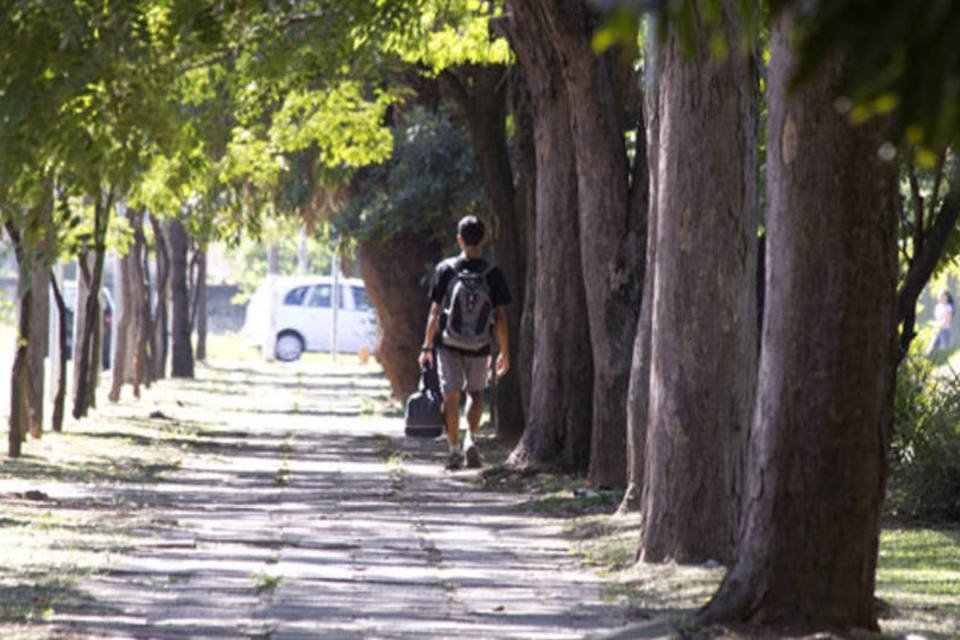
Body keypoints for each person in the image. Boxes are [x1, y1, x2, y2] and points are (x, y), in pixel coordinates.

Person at [418, 216, 511, 470]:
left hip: (449, 344)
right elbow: (500, 317)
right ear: (483, 240)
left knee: (451, 395)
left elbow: (434, 313)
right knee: (476, 393)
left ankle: (453, 450)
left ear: (459, 239)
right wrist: (504, 351)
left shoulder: (446, 269)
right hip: (480, 345)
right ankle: (472, 438)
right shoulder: (493, 273)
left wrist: (426, 347)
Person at [929, 290, 955, 354]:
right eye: (940, 296)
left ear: (946, 297)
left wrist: (942, 324)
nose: (941, 298)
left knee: (944, 347)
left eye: (943, 296)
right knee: (933, 345)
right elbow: (937, 318)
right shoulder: (937, 307)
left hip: (945, 329)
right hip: (937, 329)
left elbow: (948, 318)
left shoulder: (948, 307)